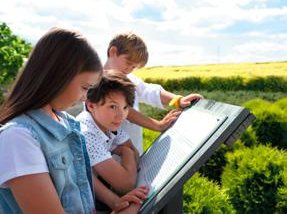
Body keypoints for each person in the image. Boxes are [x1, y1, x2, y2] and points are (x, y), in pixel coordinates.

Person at [0, 27, 148, 214]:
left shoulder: (68, 122)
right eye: (85, 88)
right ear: (58, 76)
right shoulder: (18, 138)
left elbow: (79, 180)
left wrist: (115, 203)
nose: (85, 99)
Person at [104, 32, 203, 155]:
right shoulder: (101, 82)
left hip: (132, 149)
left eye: (134, 67)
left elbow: (149, 91)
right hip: (109, 155)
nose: (129, 69)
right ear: (113, 52)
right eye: (128, 63)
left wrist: (178, 100)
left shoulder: (129, 78)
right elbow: (126, 112)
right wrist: (158, 125)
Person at [77, 70, 142, 213]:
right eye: (113, 106)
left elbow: (135, 153)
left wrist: (127, 152)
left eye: (125, 107)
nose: (121, 116)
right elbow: (126, 184)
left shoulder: (108, 122)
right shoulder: (86, 132)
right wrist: (125, 151)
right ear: (91, 106)